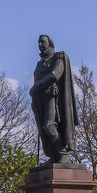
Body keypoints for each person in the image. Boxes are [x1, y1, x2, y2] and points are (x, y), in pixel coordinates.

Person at [29, 34, 79, 165]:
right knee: (43, 129)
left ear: (50, 43)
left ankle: (63, 154)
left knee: (49, 125)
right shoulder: (39, 64)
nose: (40, 44)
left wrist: (36, 87)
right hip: (39, 99)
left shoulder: (58, 58)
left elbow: (54, 75)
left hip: (53, 97)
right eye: (39, 42)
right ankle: (54, 155)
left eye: (43, 42)